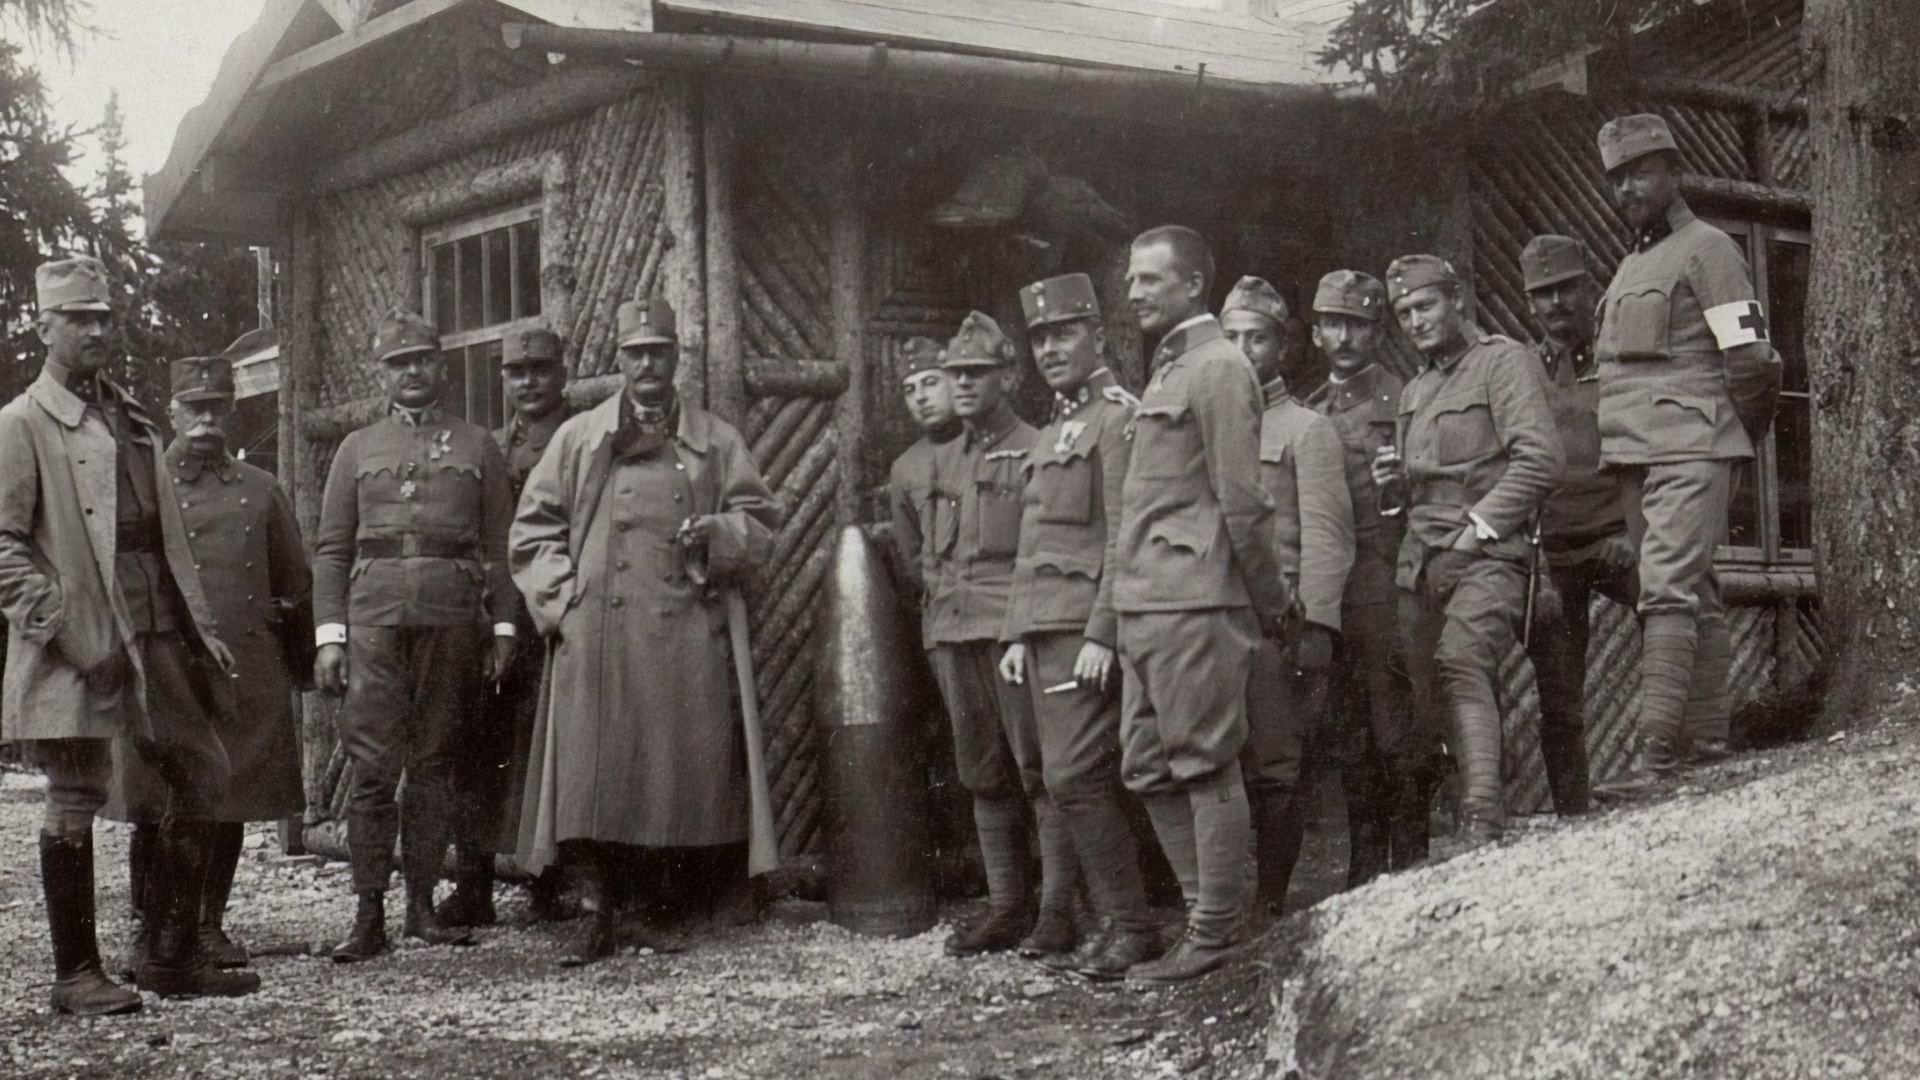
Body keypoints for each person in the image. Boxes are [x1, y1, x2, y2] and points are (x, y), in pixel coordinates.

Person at [0, 256, 249, 1009]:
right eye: (79, 317)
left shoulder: (132, 417)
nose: (98, 329)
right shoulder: (22, 425)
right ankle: (76, 975)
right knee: (75, 793)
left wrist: (195, 628)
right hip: (81, 643)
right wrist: (75, 640)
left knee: (204, 774)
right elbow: (3, 549)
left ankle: (169, 957)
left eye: (105, 315)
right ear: (44, 327)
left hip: (156, 633)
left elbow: (159, 542)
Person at [510, 296, 781, 966]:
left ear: (676, 357)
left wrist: (718, 534)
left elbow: (760, 523)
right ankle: (596, 912)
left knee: (668, 774)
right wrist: (562, 599)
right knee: (594, 772)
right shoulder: (580, 438)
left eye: (659, 351)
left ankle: (649, 911)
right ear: (620, 362)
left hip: (684, 630)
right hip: (597, 630)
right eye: (636, 354)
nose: (648, 364)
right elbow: (532, 529)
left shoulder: (716, 440)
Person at [1112, 226, 1293, 985]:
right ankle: (1202, 915)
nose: (1133, 291)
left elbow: (1243, 504)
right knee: (1146, 766)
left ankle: (1216, 931)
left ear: (1193, 286)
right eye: (1131, 278)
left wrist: (1268, 603)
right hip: (1146, 602)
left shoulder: (1218, 369)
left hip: (1196, 600)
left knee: (1205, 762)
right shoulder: (1167, 371)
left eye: (1150, 279)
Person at [312, 308, 519, 962]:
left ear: (441, 365)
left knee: (434, 763)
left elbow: (501, 550)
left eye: (422, 360)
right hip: (373, 621)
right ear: (384, 373)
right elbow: (333, 551)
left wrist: (505, 626)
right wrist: (330, 635)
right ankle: (368, 912)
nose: (411, 372)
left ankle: (421, 907)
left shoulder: (477, 445)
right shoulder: (356, 448)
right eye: (399, 363)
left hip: (453, 620)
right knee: (373, 768)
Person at [1588, 114, 1781, 800]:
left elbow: (1754, 359)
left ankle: (1655, 761)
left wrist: (1729, 437)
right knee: (1686, 590)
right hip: (1636, 459)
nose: (1628, 188)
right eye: (1617, 177)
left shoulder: (1711, 250)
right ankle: (1704, 742)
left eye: (1641, 171)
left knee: (1666, 585)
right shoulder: (1632, 264)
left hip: (1691, 448)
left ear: (1675, 172)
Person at [107, 356, 311, 975]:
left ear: (232, 410)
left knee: (230, 796)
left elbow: (295, 583)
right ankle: (147, 929)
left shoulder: (260, 489)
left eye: (216, 405)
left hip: (241, 666)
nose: (204, 417)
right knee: (153, 798)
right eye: (192, 406)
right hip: (164, 662)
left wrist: (295, 665)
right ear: (171, 412)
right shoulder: (142, 484)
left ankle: (205, 925)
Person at [995, 272, 1162, 979]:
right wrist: (1013, 632)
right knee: (1063, 780)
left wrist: (1103, 630)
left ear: (1098, 333)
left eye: (1064, 332)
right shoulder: (1059, 425)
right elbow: (1034, 538)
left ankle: (1133, 929)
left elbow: (1125, 531)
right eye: (1039, 337)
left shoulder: (1119, 418)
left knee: (1075, 777)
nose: (1050, 348)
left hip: (1085, 628)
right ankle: (1111, 923)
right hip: (1043, 628)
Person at [1374, 255, 1562, 852]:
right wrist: (1394, 481)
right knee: (1429, 697)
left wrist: (1476, 531)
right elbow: (1425, 481)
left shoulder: (1503, 362)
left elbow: (1540, 460)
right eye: (1404, 313)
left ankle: (1484, 815)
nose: (1415, 321)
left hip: (1488, 552)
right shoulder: (1416, 390)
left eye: (1425, 306)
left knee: (1461, 658)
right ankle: (1463, 823)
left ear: (1458, 301)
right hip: (1420, 560)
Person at [1219, 276, 1356, 915]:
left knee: (1278, 766)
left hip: (1280, 624)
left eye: (1258, 338)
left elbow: (1328, 536)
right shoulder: (1204, 427)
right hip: (1216, 621)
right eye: (1232, 339)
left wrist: (1318, 628)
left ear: (1282, 347)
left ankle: (1269, 906)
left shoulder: (1307, 430)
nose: (1245, 350)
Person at [434, 325, 575, 929]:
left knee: (557, 747)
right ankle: (475, 885)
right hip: (496, 616)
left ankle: (553, 884)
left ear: (562, 376)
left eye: (540, 370)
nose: (528, 382)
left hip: (560, 611)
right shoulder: (489, 448)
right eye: (516, 372)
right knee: (480, 747)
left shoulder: (582, 440)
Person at [921, 312, 1044, 958]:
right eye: (955, 374)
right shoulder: (942, 461)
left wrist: (1025, 629)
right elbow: (932, 560)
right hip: (956, 634)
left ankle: (1059, 910)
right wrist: (936, 631)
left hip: (1014, 636)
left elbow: (1043, 552)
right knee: (981, 773)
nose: (963, 385)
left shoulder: (1036, 449)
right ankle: (1006, 909)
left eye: (977, 373)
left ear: (1008, 376)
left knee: (1040, 772)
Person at [1303, 270, 1431, 872]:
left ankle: (1408, 858)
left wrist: (1404, 486)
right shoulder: (1310, 412)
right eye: (1333, 323)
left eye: (1356, 323)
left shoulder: (1404, 400)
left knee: (1395, 725)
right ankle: (1362, 864)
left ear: (1378, 331)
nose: (1344, 335)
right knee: (1347, 729)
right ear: (1316, 333)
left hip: (1386, 576)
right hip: (1333, 588)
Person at [1518, 235, 1637, 816]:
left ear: (1590, 288)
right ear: (1528, 304)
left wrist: (1635, 535)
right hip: (1552, 552)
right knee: (1559, 697)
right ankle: (1574, 815)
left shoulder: (1622, 356)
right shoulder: (1517, 371)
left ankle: (1695, 772)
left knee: (1681, 610)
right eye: (1543, 294)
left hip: (1622, 537)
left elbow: (1654, 447)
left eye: (1566, 288)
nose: (1556, 303)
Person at [885, 336, 978, 899]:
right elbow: (912, 556)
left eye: (930, 382)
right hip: (944, 627)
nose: (920, 398)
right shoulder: (906, 469)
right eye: (909, 389)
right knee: (965, 753)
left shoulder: (991, 445)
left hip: (1005, 625)